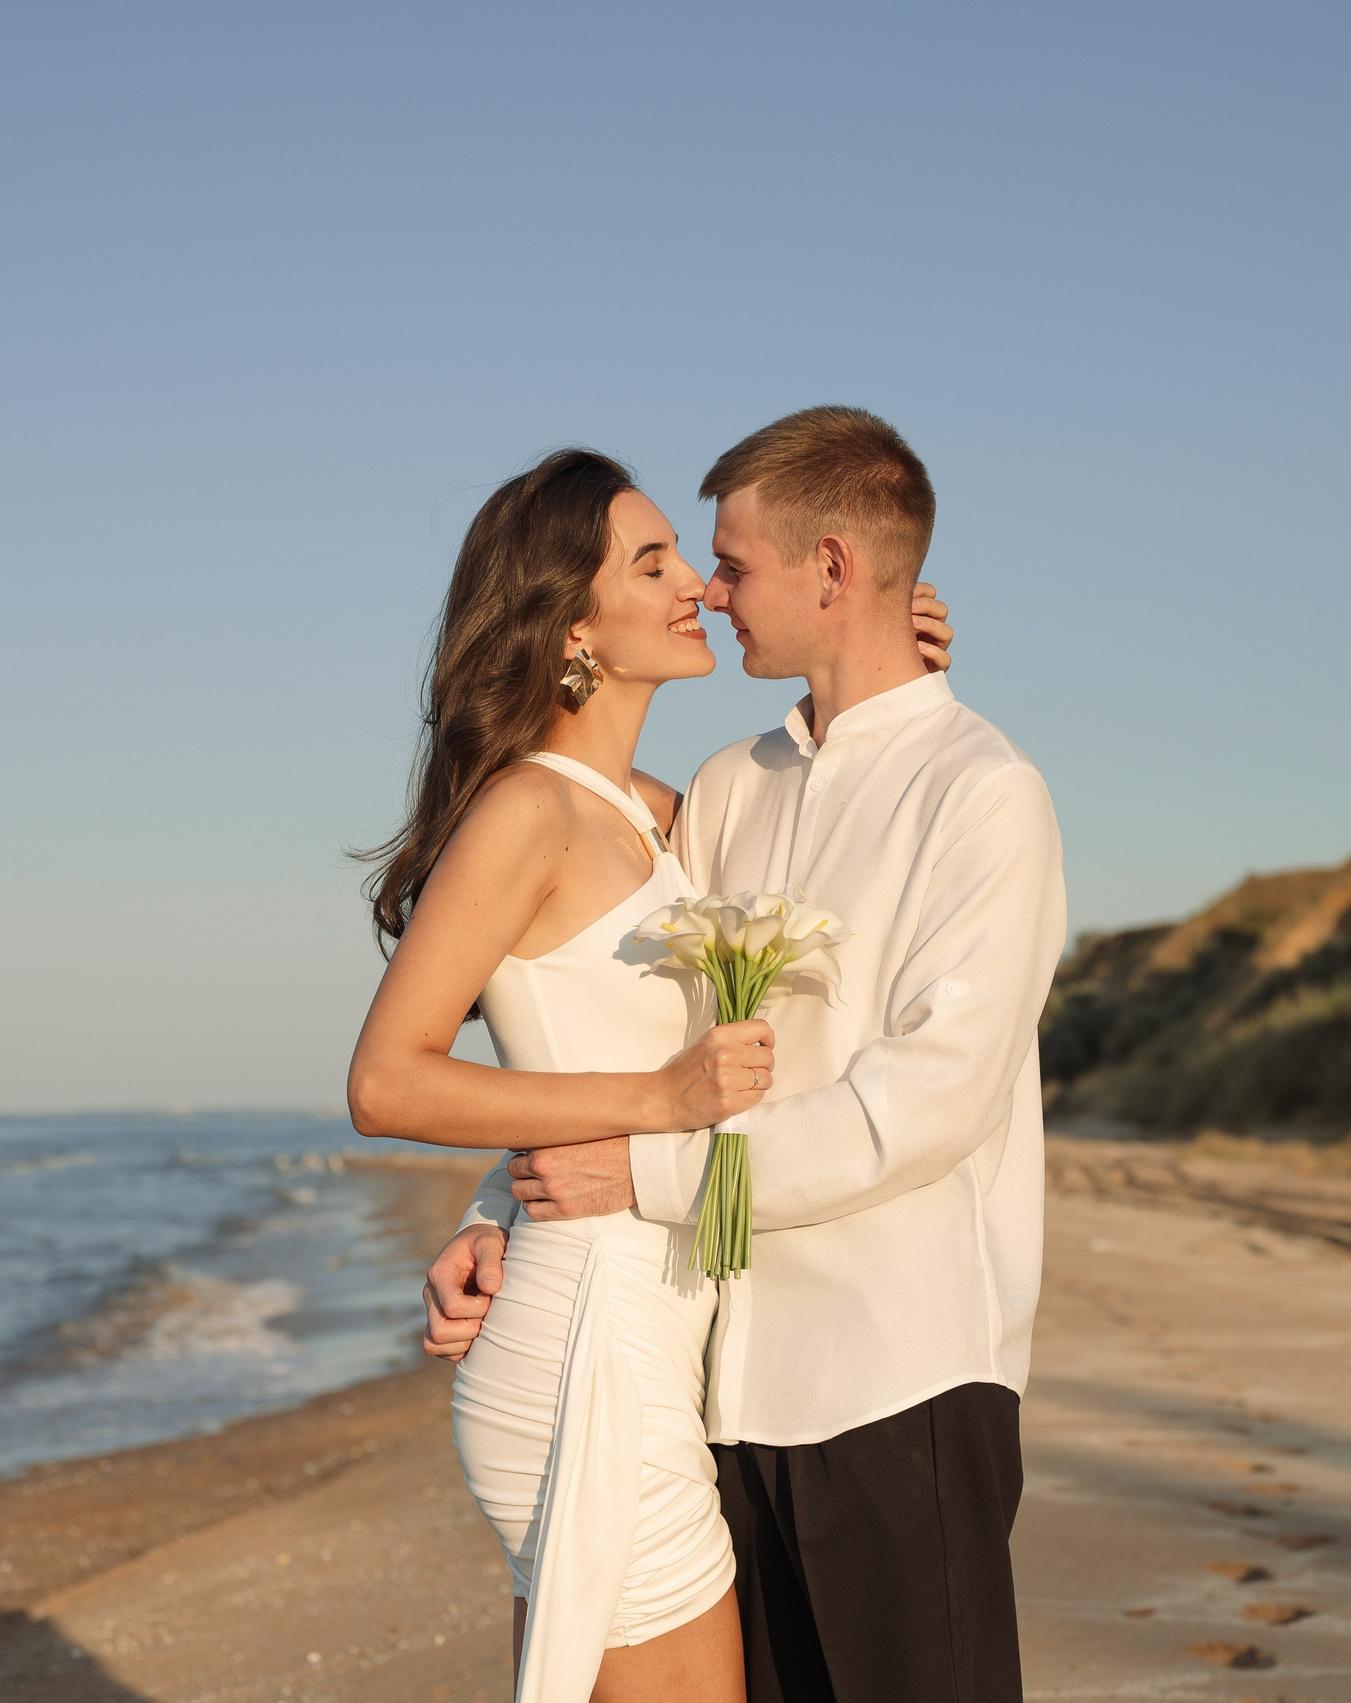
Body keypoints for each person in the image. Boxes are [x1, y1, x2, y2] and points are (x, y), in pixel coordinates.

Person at [426, 407, 1067, 1703]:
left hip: (901, 1385)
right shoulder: (723, 790)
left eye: (729, 564)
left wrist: (644, 1178)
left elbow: (925, 1105)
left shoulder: (982, 791)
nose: (709, 596)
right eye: (687, 567)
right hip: (720, 1388)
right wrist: (508, 1207)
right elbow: (619, 1036)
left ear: (830, 569)